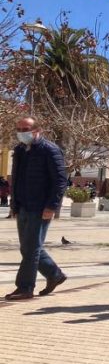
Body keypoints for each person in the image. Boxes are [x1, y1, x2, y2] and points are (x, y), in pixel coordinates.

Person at [4, 116, 68, 300]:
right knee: (28, 248)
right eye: (19, 129)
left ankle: (25, 287)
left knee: (31, 249)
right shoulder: (20, 150)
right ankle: (54, 274)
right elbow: (16, 179)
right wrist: (14, 205)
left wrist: (52, 206)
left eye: (26, 129)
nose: (22, 132)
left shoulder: (50, 150)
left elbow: (60, 181)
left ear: (37, 130)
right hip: (23, 205)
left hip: (40, 207)